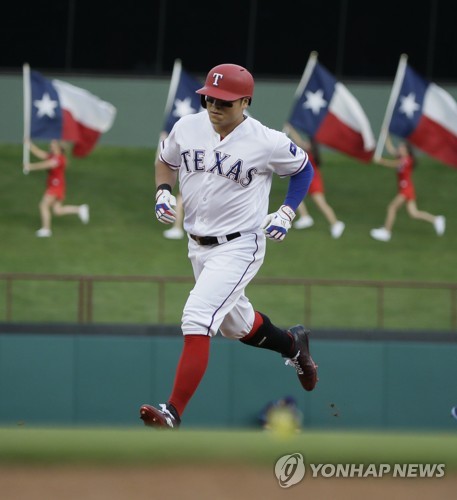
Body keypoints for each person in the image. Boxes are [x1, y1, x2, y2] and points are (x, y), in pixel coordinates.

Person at [140, 63, 318, 429]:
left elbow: (303, 169)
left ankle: (173, 411)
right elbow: (165, 160)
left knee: (197, 317)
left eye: (224, 101)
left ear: (245, 102)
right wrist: (162, 192)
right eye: (209, 99)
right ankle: (293, 345)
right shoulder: (187, 127)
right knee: (237, 326)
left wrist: (286, 212)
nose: (214, 106)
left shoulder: (265, 140)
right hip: (197, 245)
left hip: (239, 245)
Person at [370, 135, 445, 242]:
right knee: (414, 213)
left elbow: (394, 164)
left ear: (406, 150)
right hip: (406, 188)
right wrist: (386, 136)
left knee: (392, 207)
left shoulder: (407, 160)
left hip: (406, 189)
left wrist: (380, 161)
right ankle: (436, 219)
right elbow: (391, 148)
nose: (399, 148)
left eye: (401, 147)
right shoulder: (401, 157)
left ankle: (386, 232)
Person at [283, 124, 345, 239]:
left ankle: (336, 223)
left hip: (314, 181)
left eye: (308, 142)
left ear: (311, 144)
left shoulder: (309, 150)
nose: (306, 142)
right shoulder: (311, 151)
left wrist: (291, 129)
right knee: (296, 197)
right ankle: (305, 217)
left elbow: (298, 141)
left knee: (321, 204)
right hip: (307, 180)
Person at [24, 139, 89, 237]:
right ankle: (80, 209)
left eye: (52, 145)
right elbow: (40, 153)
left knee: (43, 205)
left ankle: (46, 229)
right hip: (56, 186)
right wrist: (29, 144)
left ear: (58, 147)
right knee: (57, 210)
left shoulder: (59, 159)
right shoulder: (52, 156)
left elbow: (46, 164)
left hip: (56, 186)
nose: (50, 146)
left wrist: (30, 166)